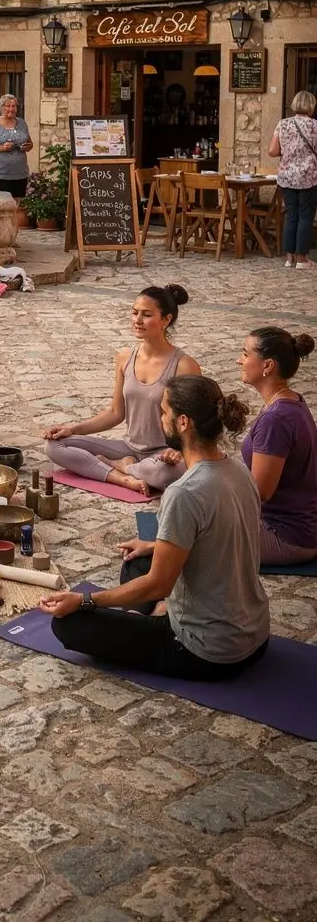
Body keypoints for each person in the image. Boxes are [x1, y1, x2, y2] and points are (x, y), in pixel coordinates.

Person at [40, 375, 270, 681]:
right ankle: (152, 615)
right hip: (256, 637)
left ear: (183, 422)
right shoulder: (239, 470)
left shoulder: (184, 492)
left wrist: (84, 600)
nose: (160, 419)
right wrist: (153, 547)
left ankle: (153, 618)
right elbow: (223, 538)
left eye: (163, 412)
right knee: (137, 562)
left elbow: (158, 585)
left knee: (68, 625)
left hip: (207, 652)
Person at [43, 284, 201, 495]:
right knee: (54, 446)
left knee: (168, 474)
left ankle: (121, 466)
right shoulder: (125, 357)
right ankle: (123, 478)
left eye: (146, 315)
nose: (137, 320)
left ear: (166, 320)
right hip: (128, 447)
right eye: (134, 312)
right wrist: (72, 429)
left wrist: (178, 451)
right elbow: (115, 413)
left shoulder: (184, 365)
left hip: (163, 454)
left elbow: (195, 421)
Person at [238, 326, 317, 565]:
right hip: (291, 525)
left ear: (268, 366)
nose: (239, 360)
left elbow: (260, 492)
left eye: (245, 354)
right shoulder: (290, 401)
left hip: (284, 534)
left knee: (196, 536)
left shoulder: (276, 419)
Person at [268, 89, 317, 269]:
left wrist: (289, 151)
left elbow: (272, 151)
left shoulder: (283, 124)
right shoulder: (315, 126)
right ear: (311, 106)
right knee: (305, 216)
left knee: (291, 215)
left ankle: (289, 259)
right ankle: (302, 259)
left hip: (287, 177)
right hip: (309, 177)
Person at [0, 94, 33, 200]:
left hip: (20, 174)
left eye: (14, 106)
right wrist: (2, 148)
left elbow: (30, 143)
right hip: (0, 175)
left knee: (18, 205)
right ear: (2, 107)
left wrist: (27, 147)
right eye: (8, 106)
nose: (11, 109)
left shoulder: (22, 123)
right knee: (1, 205)